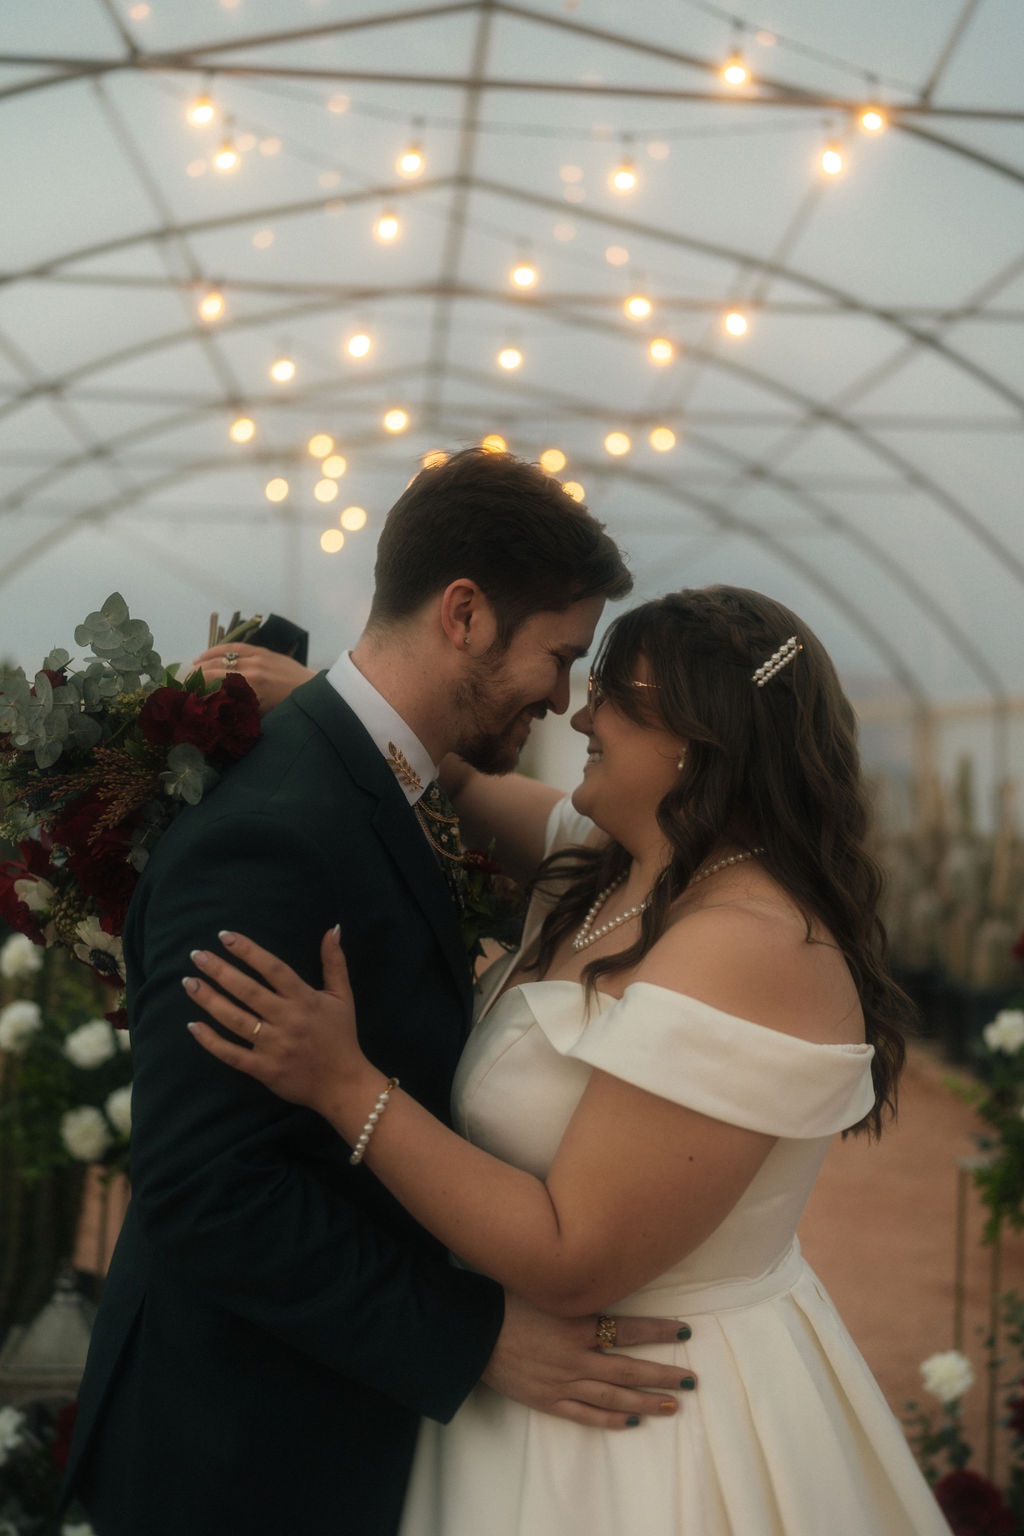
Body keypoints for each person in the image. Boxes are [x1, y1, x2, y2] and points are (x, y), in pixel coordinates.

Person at [184, 585, 953, 1535]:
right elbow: (447, 784)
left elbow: (570, 1254)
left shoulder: (752, 943)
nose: (579, 714)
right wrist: (316, 697)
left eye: (616, 699)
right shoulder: (622, 864)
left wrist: (345, 1087)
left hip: (652, 1419)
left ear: (700, 738)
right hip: (528, 1390)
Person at [64, 450, 693, 1536]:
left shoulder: (373, 775)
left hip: (309, 1422)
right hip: (238, 1451)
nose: (561, 695)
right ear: (464, 613)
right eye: (557, 653)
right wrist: (475, 1336)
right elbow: (209, 1184)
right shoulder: (276, 827)